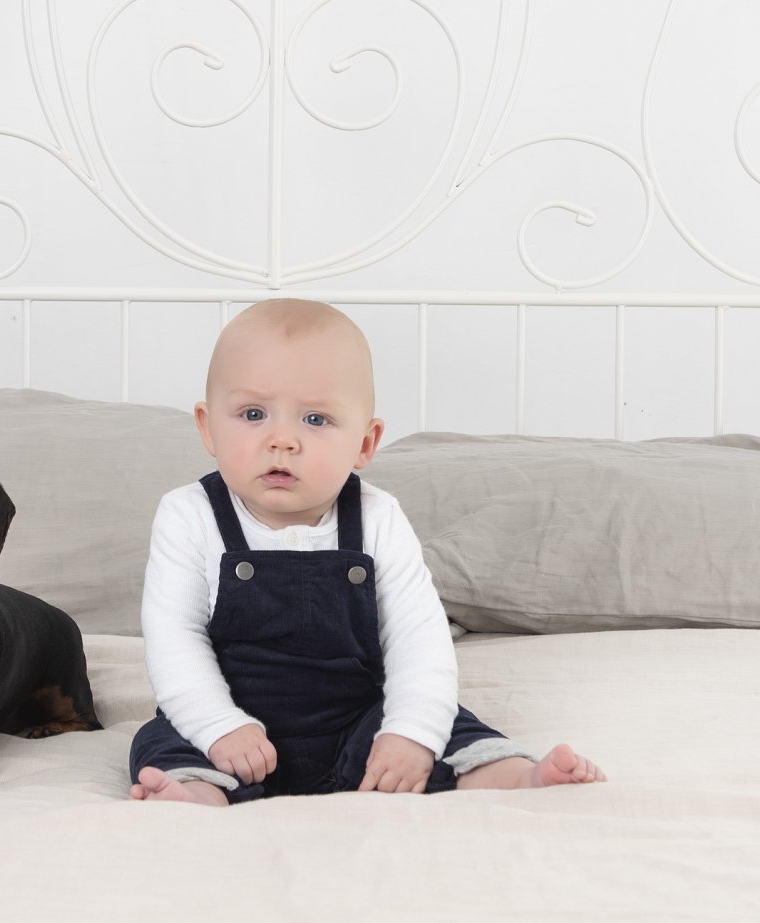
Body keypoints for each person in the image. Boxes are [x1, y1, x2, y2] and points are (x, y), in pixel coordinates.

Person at [129, 298, 606, 805]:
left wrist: (411, 732)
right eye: (252, 414)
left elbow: (418, 636)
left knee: (448, 728)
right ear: (207, 426)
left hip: (354, 723)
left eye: (315, 418)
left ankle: (516, 777)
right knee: (160, 742)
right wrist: (217, 726)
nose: (282, 440)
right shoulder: (189, 515)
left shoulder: (378, 518)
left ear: (365, 441)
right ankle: (196, 794)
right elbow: (173, 636)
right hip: (227, 724)